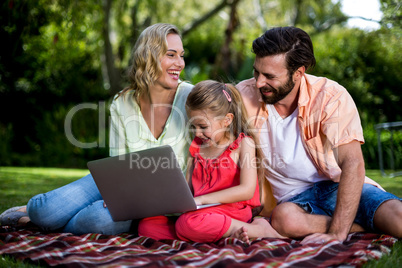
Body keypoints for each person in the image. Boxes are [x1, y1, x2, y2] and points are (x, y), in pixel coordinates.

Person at [0, 23, 194, 235]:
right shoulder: (123, 102)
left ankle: (32, 223)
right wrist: (118, 195)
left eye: (181, 55)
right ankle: (32, 213)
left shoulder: (191, 99)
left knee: (95, 220)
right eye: (171, 55)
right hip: (122, 185)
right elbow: (117, 164)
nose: (180, 63)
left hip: (153, 207)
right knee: (44, 211)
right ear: (149, 56)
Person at [233, 26, 402, 244]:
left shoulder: (330, 96)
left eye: (269, 76)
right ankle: (361, 226)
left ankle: (350, 224)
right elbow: (208, 107)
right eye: (256, 72)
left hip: (336, 187)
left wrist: (337, 234)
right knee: (284, 220)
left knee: (397, 219)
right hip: (293, 202)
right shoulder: (244, 96)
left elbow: (352, 163)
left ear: (298, 73)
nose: (258, 82)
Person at [137, 80, 285, 243]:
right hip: (200, 213)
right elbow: (187, 190)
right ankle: (221, 232)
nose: (197, 133)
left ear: (227, 120)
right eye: (193, 126)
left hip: (232, 210)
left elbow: (247, 190)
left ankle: (256, 229)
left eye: (202, 126)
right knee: (147, 226)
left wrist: (201, 200)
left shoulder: (243, 144)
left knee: (187, 224)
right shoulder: (196, 147)